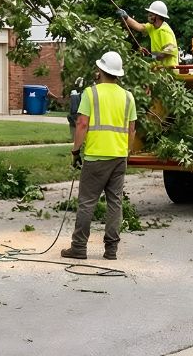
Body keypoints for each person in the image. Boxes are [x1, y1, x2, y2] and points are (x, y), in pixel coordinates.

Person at [61, 50, 136, 261]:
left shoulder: (90, 93)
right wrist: (126, 152)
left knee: (87, 202)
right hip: (119, 157)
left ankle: (79, 247)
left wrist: (75, 151)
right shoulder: (128, 97)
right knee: (115, 203)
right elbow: (132, 130)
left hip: (96, 157)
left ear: (100, 70)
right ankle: (111, 250)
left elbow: (82, 124)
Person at [118, 0, 178, 67]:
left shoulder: (164, 31)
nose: (149, 15)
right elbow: (139, 27)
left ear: (158, 16)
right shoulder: (152, 27)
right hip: (160, 69)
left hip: (169, 70)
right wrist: (126, 17)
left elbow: (168, 51)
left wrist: (151, 57)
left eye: (151, 14)